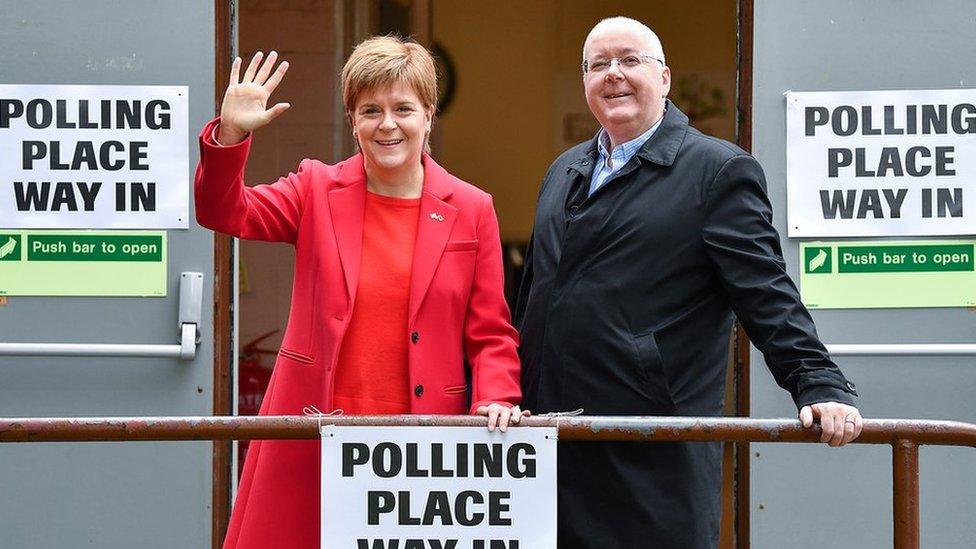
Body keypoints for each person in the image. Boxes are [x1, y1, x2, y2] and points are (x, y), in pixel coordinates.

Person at [514, 17, 863, 548]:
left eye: (630, 60)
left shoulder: (716, 172)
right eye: (598, 65)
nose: (614, 75)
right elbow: (535, 296)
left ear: (665, 77)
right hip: (550, 444)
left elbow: (766, 294)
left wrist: (818, 382)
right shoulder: (564, 169)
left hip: (650, 454)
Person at [195, 37, 524, 549]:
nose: (387, 124)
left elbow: (490, 330)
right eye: (371, 110)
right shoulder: (315, 188)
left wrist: (496, 395)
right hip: (313, 427)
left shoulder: (472, 207)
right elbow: (224, 211)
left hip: (420, 444)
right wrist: (231, 133)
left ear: (429, 116)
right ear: (353, 121)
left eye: (403, 109)